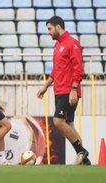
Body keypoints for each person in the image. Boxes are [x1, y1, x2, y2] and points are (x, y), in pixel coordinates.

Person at [37, 16, 90, 165]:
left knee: (58, 121)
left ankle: (81, 151)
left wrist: (74, 89)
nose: (48, 32)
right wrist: (45, 86)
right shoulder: (58, 45)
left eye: (49, 29)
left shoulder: (72, 44)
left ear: (58, 27)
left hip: (68, 91)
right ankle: (84, 160)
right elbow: (56, 70)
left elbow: (78, 69)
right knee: (69, 124)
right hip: (59, 90)